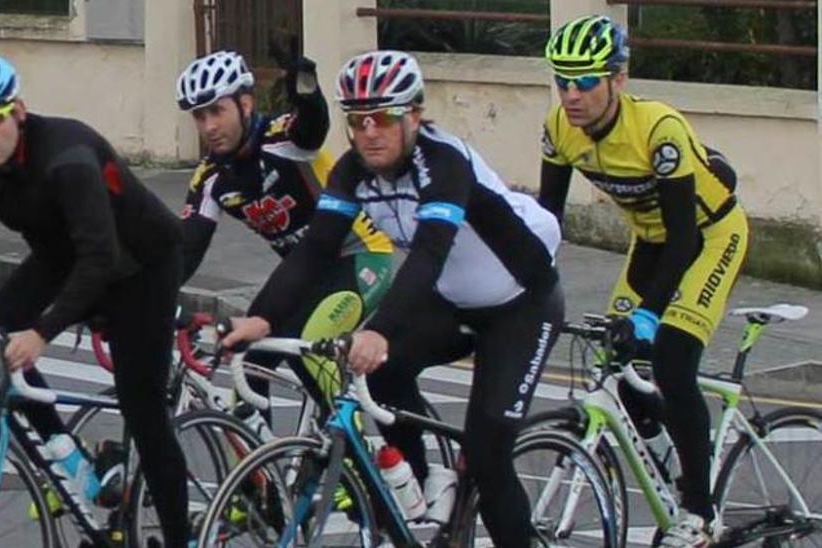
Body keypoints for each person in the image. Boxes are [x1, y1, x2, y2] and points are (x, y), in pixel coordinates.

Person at [222, 50, 565, 547]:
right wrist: (262, 319)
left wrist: (379, 330)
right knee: (378, 374)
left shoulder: (444, 162)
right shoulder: (352, 170)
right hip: (453, 299)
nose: (369, 133)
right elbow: (317, 247)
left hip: (522, 303)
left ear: (414, 116)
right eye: (357, 122)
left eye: (383, 118)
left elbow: (428, 254)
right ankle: (423, 493)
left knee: (489, 457)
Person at [0, 55, 191, 547]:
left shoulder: (66, 157)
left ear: (18, 111)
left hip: (139, 264)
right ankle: (75, 460)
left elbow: (101, 257)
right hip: (61, 256)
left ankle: (181, 540)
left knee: (143, 409)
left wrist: (42, 331)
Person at [539, 15, 748, 546]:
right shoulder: (558, 129)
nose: (572, 94)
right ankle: (678, 435)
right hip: (649, 241)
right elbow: (547, 222)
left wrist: (650, 316)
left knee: (673, 360)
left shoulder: (659, 129)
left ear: (619, 78)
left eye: (586, 80)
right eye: (562, 79)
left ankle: (698, 513)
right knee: (619, 365)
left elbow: (684, 241)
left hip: (708, 236)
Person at [175, 46, 393, 412]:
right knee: (249, 359)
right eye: (199, 116)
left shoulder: (282, 139)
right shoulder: (211, 178)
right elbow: (187, 249)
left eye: (217, 111)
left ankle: (352, 455)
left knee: (307, 347)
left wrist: (306, 93)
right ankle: (259, 466)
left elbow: (312, 126)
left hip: (360, 257)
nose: (209, 126)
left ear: (245, 104)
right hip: (304, 272)